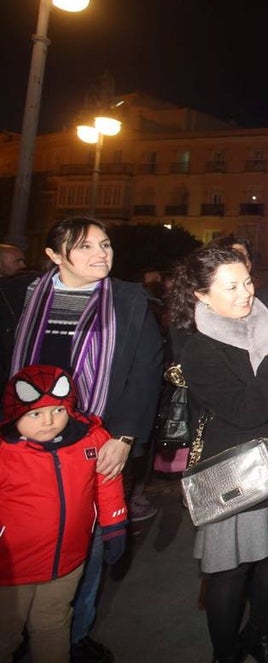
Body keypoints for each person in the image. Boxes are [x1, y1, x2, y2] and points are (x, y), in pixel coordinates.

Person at [4, 217, 163, 663]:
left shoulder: (129, 300)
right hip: (20, 445)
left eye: (105, 244)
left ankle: (73, 633)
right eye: (85, 246)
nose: (101, 254)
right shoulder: (19, 296)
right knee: (17, 537)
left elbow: (145, 372)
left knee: (86, 544)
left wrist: (125, 437)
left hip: (93, 441)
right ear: (54, 256)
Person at [168, 244, 268, 663]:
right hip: (235, 470)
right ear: (201, 295)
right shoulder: (200, 348)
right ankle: (225, 652)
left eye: (247, 281)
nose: (246, 293)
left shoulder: (265, 322)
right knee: (230, 570)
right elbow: (246, 411)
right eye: (231, 287)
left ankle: (259, 636)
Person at [0, 366, 128, 663]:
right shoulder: (5, 452)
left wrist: (115, 525)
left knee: (53, 622)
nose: (48, 421)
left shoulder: (90, 439)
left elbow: (107, 483)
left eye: (58, 410)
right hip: (12, 569)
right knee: (6, 631)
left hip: (67, 561)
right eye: (34, 414)